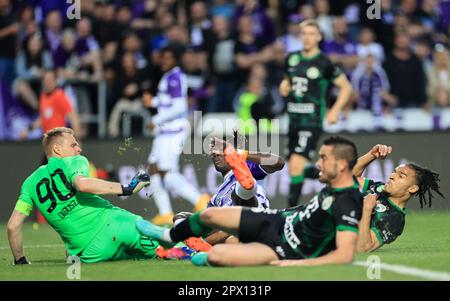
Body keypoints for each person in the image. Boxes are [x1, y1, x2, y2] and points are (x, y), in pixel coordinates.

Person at [136, 136, 363, 267]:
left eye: (221, 151)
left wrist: (243, 156)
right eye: (213, 153)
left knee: (225, 208)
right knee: (207, 242)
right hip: (260, 235)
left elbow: (279, 162)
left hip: (257, 214)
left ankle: (177, 241)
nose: (215, 154)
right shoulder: (217, 194)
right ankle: (193, 248)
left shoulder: (249, 167)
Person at [7, 127, 159, 264]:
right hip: (115, 225)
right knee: (167, 247)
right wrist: (126, 188)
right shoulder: (73, 162)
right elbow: (83, 184)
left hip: (89, 254)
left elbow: (13, 226)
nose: (78, 149)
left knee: (125, 256)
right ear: (57, 149)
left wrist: (20, 260)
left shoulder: (29, 183)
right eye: (73, 145)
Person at [279, 19, 353, 208]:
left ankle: (289, 212)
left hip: (311, 120)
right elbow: (288, 80)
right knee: (295, 169)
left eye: (312, 34)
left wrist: (334, 110)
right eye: (304, 33)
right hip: (293, 120)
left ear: (319, 37)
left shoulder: (324, 62)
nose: (308, 37)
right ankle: (333, 175)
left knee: (296, 164)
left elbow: (346, 88)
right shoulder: (292, 58)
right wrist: (284, 85)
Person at [142, 43, 210, 225]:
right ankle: (165, 212)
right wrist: (154, 102)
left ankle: (199, 200)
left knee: (168, 173)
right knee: (153, 170)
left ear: (175, 60)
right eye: (162, 57)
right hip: (165, 131)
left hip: (172, 131)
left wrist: (156, 119)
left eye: (168, 57)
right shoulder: (170, 76)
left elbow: (180, 106)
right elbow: (170, 101)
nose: (164, 61)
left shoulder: (174, 77)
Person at [352, 144, 444, 252]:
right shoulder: (380, 188)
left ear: (413, 188)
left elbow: (363, 247)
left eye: (401, 176)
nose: (391, 176)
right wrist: (371, 155)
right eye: (394, 172)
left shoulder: (395, 220)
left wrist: (366, 209)